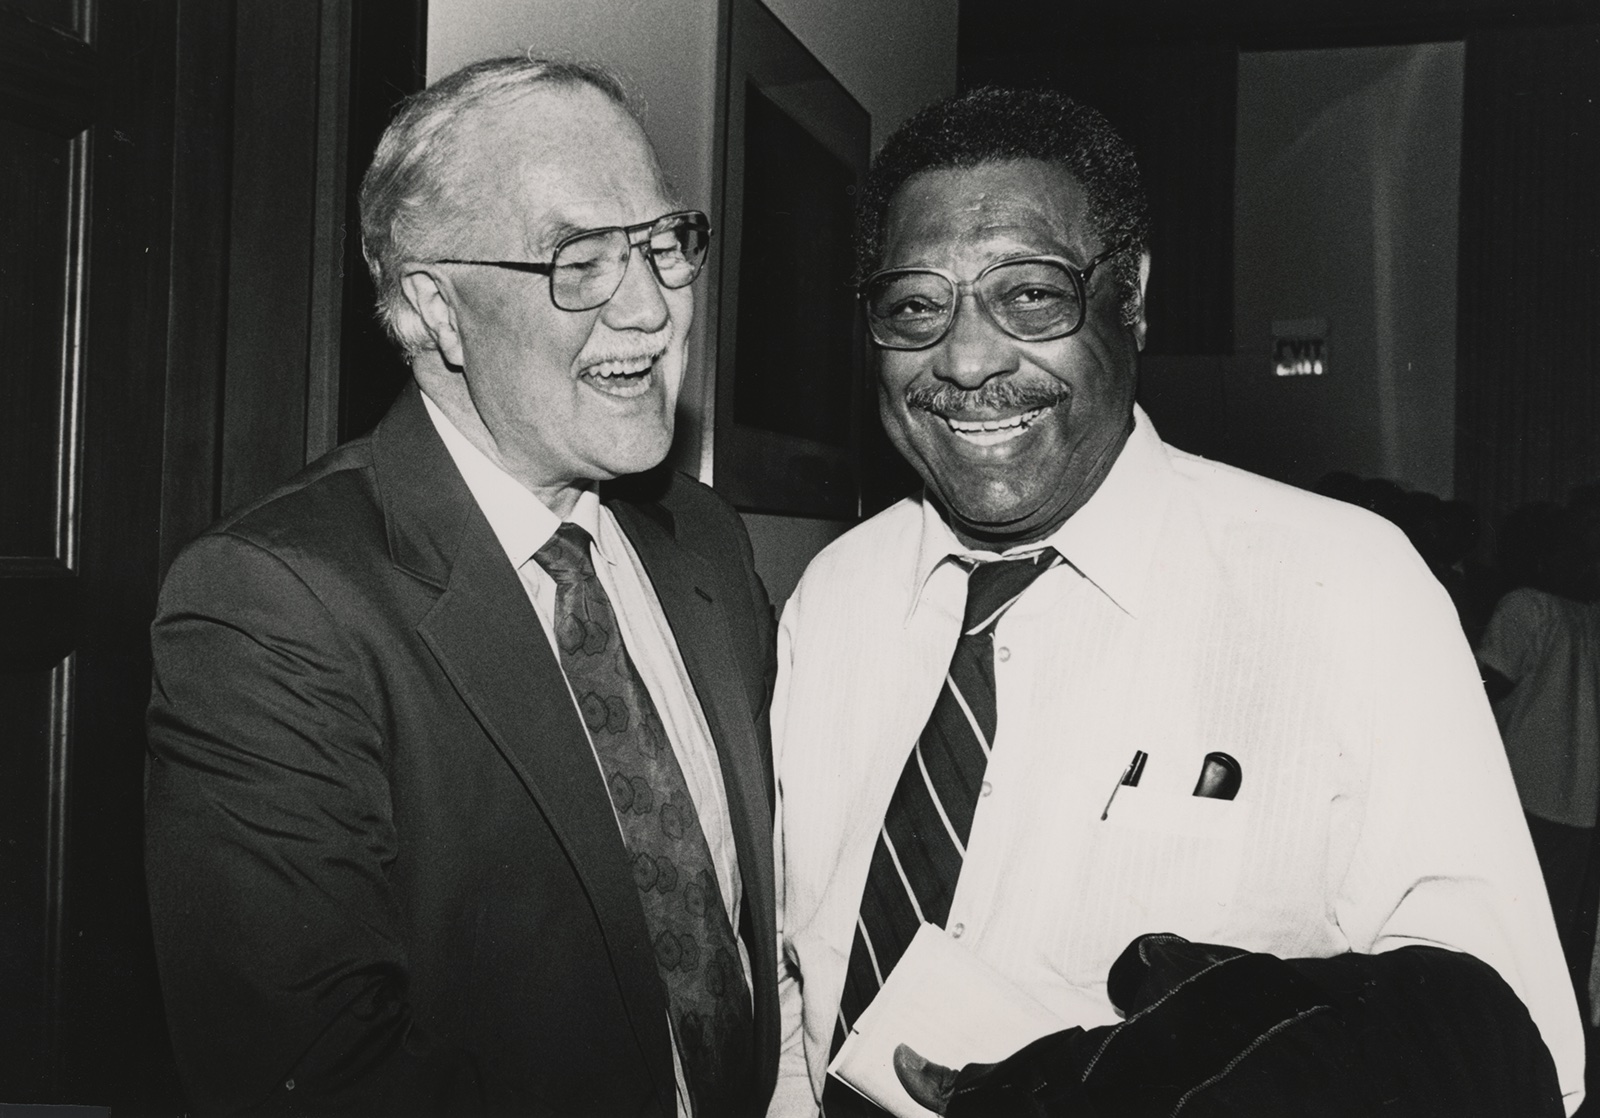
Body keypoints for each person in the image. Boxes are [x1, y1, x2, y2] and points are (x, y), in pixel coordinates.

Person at [767, 87, 1583, 1116]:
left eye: (1029, 294)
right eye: (916, 306)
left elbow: (1515, 1047)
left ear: (1133, 296)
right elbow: (807, 1002)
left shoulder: (1349, 590)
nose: (965, 359)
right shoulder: (833, 601)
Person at [146, 57, 778, 1116]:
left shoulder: (702, 540)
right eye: (578, 260)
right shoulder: (272, 603)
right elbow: (313, 1078)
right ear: (438, 310)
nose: (653, 310)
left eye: (665, 243)